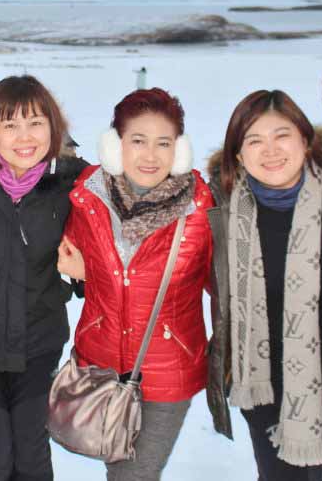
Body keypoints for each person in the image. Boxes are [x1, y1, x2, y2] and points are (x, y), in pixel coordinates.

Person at [205, 89, 322, 481]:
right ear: (238, 155)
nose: (270, 151)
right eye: (254, 140)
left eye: (281, 135)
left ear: (305, 140)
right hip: (263, 392)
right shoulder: (224, 211)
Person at [57, 87, 214, 481]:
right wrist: (84, 275)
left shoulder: (201, 211)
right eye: (138, 141)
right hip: (101, 368)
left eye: (164, 143)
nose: (150, 155)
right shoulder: (88, 200)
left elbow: (226, 286)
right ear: (116, 145)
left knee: (134, 475)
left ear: (179, 150)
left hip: (169, 373)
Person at [0, 75, 88, 481]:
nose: (25, 137)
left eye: (36, 123)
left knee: (31, 455)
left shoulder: (72, 182)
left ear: (53, 127)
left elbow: (110, 245)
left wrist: (85, 274)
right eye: (10, 125)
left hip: (38, 344)